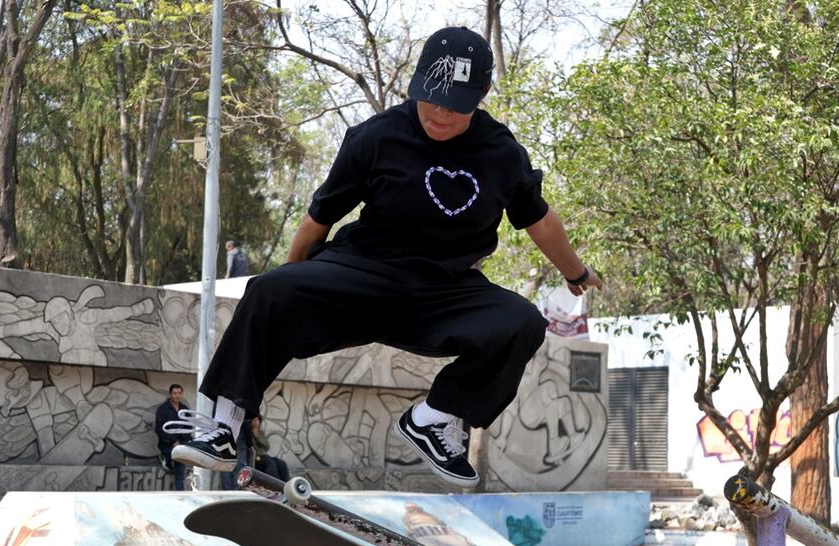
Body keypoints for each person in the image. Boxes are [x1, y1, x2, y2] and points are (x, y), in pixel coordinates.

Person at [171, 26, 602, 488]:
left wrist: (575, 273)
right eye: (431, 99)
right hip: (362, 274)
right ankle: (223, 426)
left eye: (455, 106)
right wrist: (291, 281)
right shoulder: (376, 137)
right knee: (268, 289)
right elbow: (319, 217)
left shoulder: (501, 151)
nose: (439, 113)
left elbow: (539, 220)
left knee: (521, 321)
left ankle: (435, 418)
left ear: (480, 96)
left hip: (446, 289)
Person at [219, 416, 289, 489]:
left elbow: (266, 446)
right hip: (255, 457)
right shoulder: (247, 432)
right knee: (270, 464)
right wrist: (253, 434)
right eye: (254, 419)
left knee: (281, 463)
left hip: (263, 456)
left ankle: (285, 487)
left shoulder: (259, 432)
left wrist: (257, 434)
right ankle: (274, 487)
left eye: (257, 420)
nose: (256, 422)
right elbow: (251, 447)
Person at [154, 384, 189, 490]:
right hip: (167, 444)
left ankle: (180, 493)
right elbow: (159, 429)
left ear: (182, 394)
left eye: (179, 393)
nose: (177, 396)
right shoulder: (163, 409)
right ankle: (167, 460)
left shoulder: (185, 409)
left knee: (180, 460)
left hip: (181, 444)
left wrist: (182, 441)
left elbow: (189, 428)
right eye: (174, 393)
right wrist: (173, 441)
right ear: (170, 394)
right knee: (179, 457)